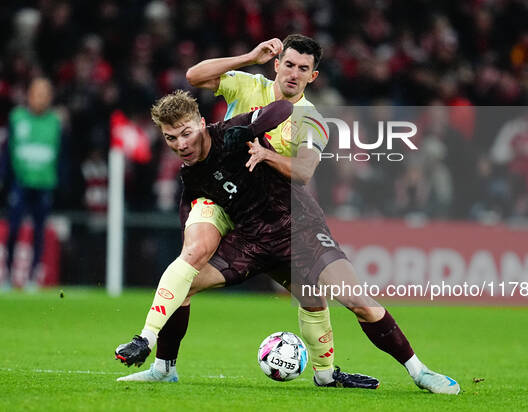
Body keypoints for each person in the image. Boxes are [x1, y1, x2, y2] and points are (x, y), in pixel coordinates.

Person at [115, 91, 460, 395]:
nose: (180, 144)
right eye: (171, 138)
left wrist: (250, 129)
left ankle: (418, 372)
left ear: (202, 124)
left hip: (299, 231)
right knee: (185, 283)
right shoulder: (190, 171)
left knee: (355, 301)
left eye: (186, 133)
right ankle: (163, 369)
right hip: (251, 242)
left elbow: (281, 108)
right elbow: (189, 203)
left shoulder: (229, 133)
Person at [118, 34, 375, 389]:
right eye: (288, 64)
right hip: (218, 194)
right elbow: (194, 76)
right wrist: (248, 56)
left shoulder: (308, 118)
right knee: (191, 258)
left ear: (312, 76)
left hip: (266, 211)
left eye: (303, 68)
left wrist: (271, 157)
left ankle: (326, 374)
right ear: (276, 64)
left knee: (309, 291)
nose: (294, 73)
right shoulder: (249, 84)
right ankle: (158, 357)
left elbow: (301, 172)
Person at [1, 78, 61, 289]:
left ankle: (35, 275)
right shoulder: (17, 118)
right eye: (37, 93)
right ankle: (7, 274)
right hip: (20, 182)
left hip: (44, 183)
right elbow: (7, 152)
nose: (41, 98)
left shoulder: (56, 122)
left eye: (45, 94)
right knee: (14, 228)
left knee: (39, 230)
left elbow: (62, 156)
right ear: (29, 95)